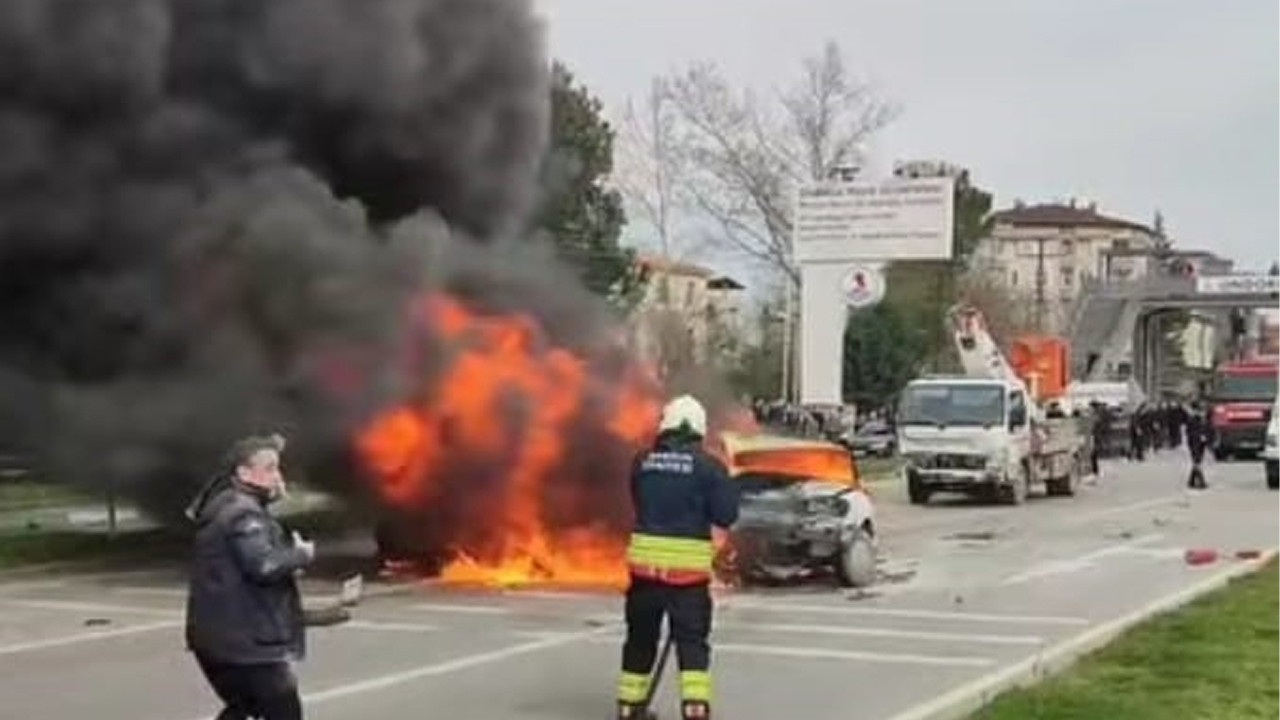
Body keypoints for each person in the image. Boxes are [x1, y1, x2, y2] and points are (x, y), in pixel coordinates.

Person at [616, 395, 739, 720]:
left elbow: (639, 502)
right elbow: (726, 516)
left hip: (643, 575)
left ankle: (629, 708)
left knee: (640, 641)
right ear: (698, 429)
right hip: (687, 580)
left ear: (665, 425)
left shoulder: (641, 461)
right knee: (691, 645)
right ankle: (695, 710)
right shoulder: (709, 467)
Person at [185, 434, 316, 720]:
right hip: (246, 645)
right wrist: (300, 554)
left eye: (278, 468)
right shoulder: (243, 515)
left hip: (221, 641)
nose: (277, 476)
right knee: (282, 712)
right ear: (243, 473)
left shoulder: (229, 506)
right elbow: (264, 566)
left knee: (244, 710)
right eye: (269, 468)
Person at [1185, 402, 1212, 490]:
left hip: (1202, 443)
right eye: (1201, 410)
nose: (1203, 412)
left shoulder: (1204, 420)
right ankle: (1201, 482)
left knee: (1197, 462)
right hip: (1194, 443)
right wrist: (1199, 435)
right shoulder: (1192, 420)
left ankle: (1191, 481)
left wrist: (1207, 439)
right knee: (1197, 461)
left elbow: (1208, 430)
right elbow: (1189, 432)